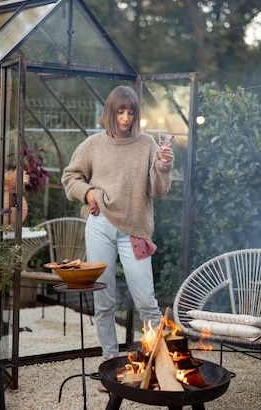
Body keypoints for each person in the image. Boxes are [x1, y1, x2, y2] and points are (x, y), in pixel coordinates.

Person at [61, 85, 175, 369]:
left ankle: (157, 364)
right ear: (110, 112)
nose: (125, 117)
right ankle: (110, 361)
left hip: (135, 230)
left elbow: (157, 191)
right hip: (100, 225)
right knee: (104, 299)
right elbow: (70, 176)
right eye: (120, 111)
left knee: (147, 301)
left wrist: (163, 168)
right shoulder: (93, 145)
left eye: (131, 111)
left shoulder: (148, 143)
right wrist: (87, 194)